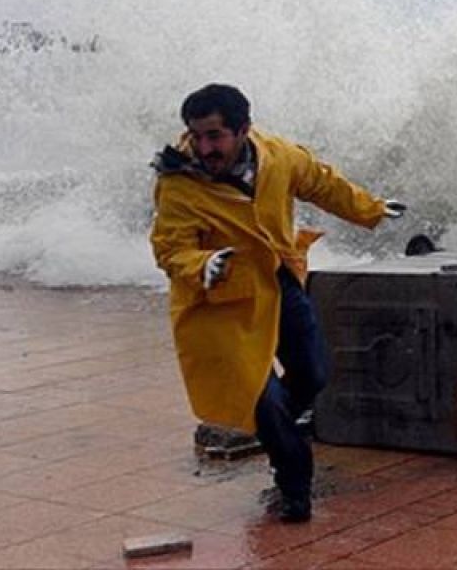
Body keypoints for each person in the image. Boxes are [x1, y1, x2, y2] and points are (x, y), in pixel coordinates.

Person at [149, 83, 405, 522]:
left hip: (277, 280)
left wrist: (371, 209)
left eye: (215, 136)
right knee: (262, 399)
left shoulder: (278, 157)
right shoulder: (178, 184)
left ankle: (275, 429)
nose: (203, 147)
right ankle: (293, 486)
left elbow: (323, 184)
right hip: (220, 302)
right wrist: (201, 264)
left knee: (313, 372)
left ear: (244, 130)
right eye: (196, 135)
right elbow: (170, 248)